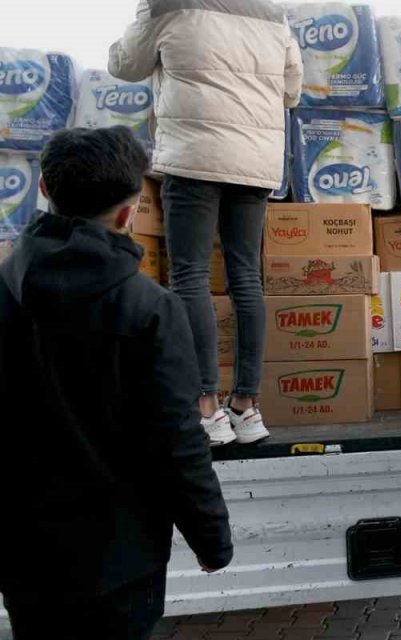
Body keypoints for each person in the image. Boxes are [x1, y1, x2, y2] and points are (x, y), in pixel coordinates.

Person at [0, 127, 233, 639]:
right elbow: (177, 439)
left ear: (43, 189)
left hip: (24, 550)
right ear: (129, 215)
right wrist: (211, 538)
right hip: (120, 555)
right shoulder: (150, 308)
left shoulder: (4, 288)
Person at [110, 0, 302, 446]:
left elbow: (124, 64)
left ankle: (207, 407)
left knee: (190, 276)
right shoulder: (272, 12)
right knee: (246, 279)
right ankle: (247, 406)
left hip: (194, 156)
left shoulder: (167, 4)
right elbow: (292, 91)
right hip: (255, 160)